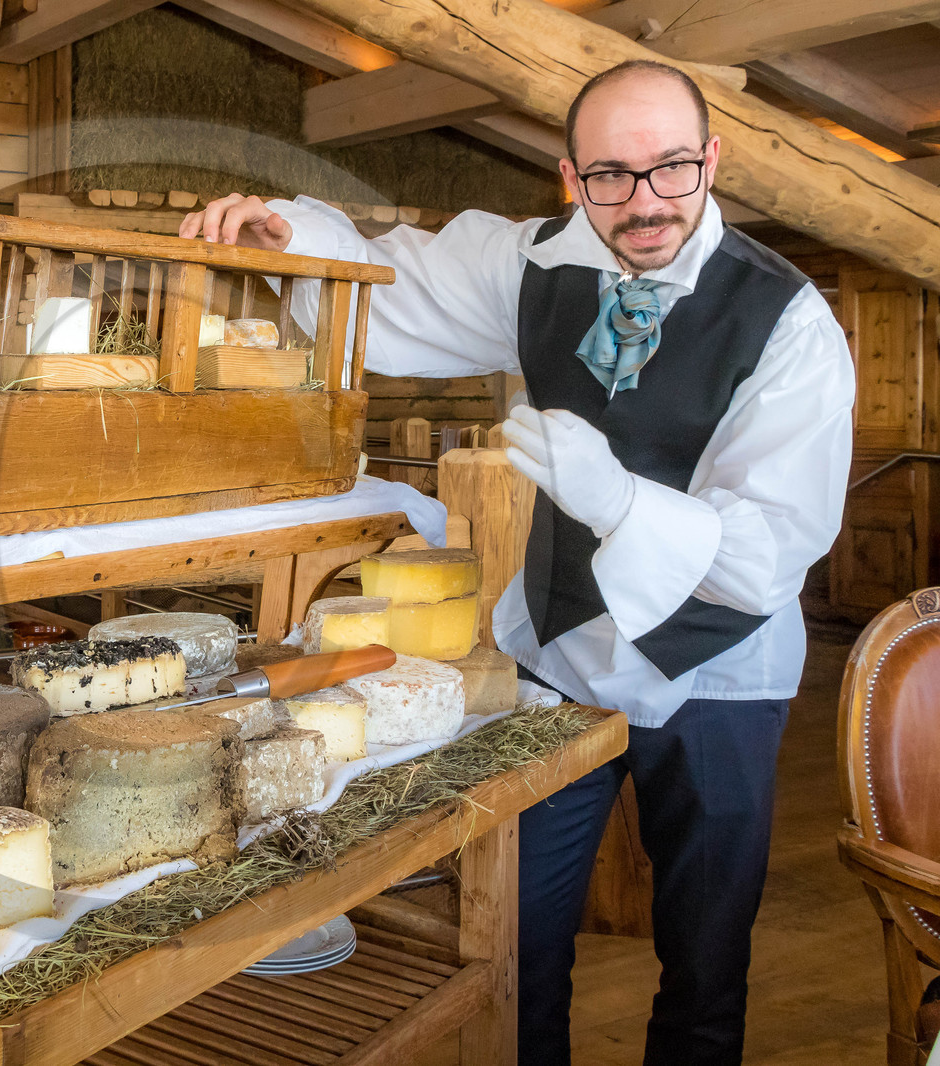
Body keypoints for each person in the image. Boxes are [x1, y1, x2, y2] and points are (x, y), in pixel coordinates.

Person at [181, 60, 853, 1066]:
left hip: (716, 671)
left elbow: (768, 551)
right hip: (561, 654)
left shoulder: (788, 319)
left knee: (705, 962)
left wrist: (620, 501)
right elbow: (397, 286)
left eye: (672, 168)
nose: (644, 202)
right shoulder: (534, 261)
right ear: (570, 177)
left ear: (712, 160)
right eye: (610, 175)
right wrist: (295, 242)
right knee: (518, 939)